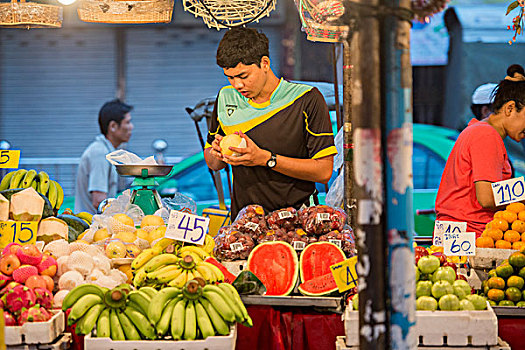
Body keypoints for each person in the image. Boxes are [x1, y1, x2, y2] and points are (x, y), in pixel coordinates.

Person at [204, 27, 336, 219]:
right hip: (245, 223)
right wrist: (217, 154)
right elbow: (213, 162)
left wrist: (265, 158)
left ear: (265, 63)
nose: (237, 85)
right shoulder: (225, 97)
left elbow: (323, 171)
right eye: (230, 78)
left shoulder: (306, 98)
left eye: (243, 76)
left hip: (297, 222)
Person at [435, 64, 525, 237]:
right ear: (510, 109)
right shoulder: (485, 135)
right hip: (471, 239)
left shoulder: (481, 131)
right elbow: (487, 198)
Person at [75, 99, 134, 214]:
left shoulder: (108, 151)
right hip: (93, 226)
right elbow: (99, 201)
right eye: (127, 122)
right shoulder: (100, 153)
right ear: (113, 126)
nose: (131, 127)